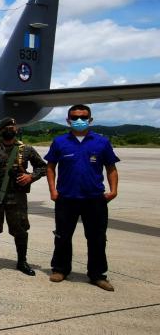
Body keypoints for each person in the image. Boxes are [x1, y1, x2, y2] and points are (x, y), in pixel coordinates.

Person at [45, 104, 119, 291]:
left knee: (97, 238)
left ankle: (97, 275)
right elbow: (50, 167)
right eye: (75, 117)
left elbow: (111, 167)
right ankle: (60, 269)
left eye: (84, 117)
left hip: (94, 198)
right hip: (66, 198)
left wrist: (113, 190)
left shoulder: (102, 142)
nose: (79, 120)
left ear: (90, 120)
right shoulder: (59, 142)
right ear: (68, 120)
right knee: (62, 236)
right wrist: (53, 191)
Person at [0, 117, 46, 276]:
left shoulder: (26, 149)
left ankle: (22, 261)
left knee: (20, 230)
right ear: (0, 131)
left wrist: (30, 176)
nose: (10, 129)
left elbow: (43, 167)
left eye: (12, 127)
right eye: (6, 127)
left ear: (16, 130)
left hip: (17, 197)